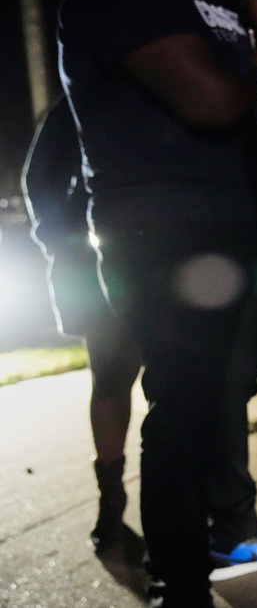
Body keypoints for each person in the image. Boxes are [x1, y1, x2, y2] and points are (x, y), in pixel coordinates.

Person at [58, 0, 257, 605]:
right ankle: (181, 583)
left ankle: (217, 541)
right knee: (185, 411)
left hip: (242, 220)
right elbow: (213, 101)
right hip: (172, 230)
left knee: (223, 404)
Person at [21, 95, 142, 553]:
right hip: (96, 262)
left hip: (168, 254)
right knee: (111, 379)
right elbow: (40, 180)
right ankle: (111, 496)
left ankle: (194, 506)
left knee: (176, 389)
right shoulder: (73, 104)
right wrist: (62, 241)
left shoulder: (174, 86)